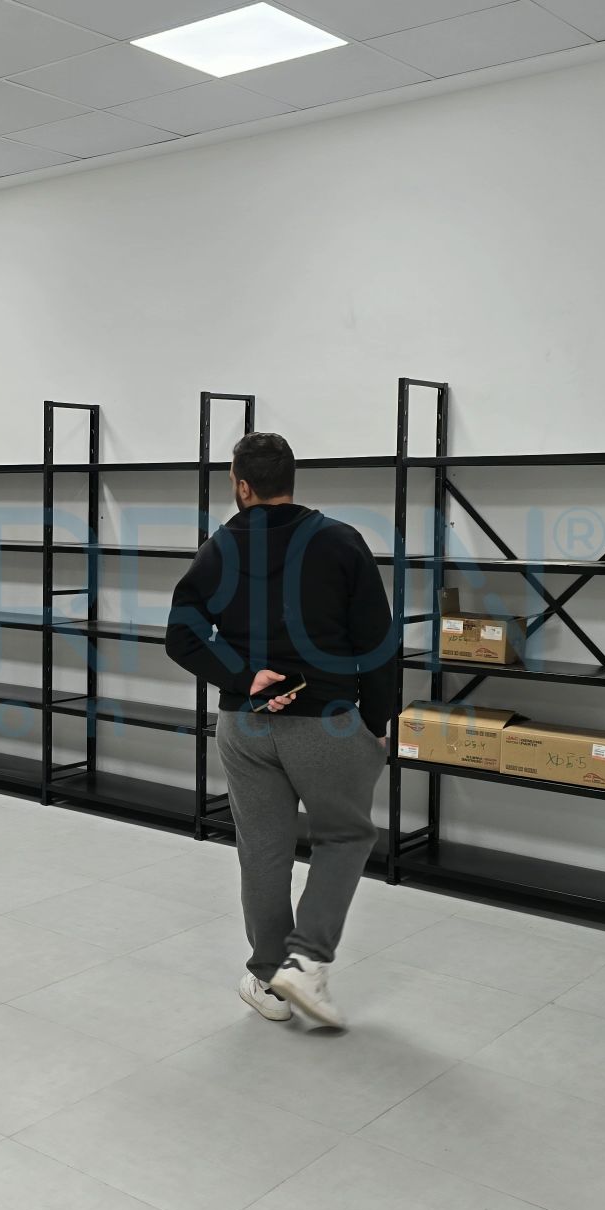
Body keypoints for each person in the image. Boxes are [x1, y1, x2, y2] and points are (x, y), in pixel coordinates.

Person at [164, 431, 396, 1029]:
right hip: (327, 725)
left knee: (263, 849)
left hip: (244, 724)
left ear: (242, 486)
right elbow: (378, 643)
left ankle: (268, 978)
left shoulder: (220, 547)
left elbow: (182, 636)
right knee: (344, 837)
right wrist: (376, 722)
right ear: (291, 480)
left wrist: (245, 678)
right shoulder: (341, 541)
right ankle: (306, 961)